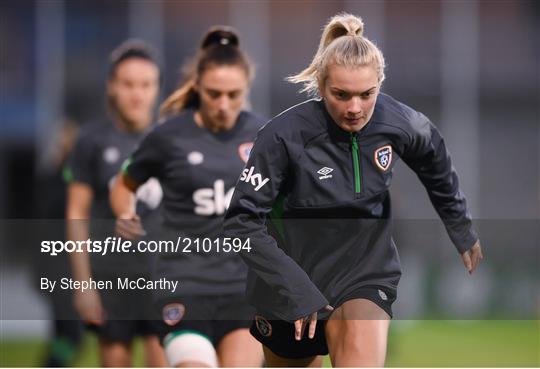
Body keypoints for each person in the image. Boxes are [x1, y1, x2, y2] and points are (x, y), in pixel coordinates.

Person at [223, 13, 484, 367]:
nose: (355, 108)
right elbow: (240, 223)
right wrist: (296, 288)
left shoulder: (399, 121)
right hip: (289, 284)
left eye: (367, 94)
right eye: (341, 95)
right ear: (320, 85)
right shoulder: (282, 136)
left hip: (364, 272)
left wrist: (458, 223)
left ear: (380, 83)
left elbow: (433, 156)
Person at [110, 27, 264, 367]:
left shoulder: (264, 136)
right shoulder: (169, 136)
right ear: (197, 86)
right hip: (183, 285)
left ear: (246, 89)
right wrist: (125, 212)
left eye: (233, 94)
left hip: (245, 289)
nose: (224, 105)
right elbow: (124, 184)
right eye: (214, 94)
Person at [65, 39, 167, 367]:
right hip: (111, 277)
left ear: (157, 88)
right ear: (112, 86)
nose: (137, 94)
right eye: (127, 84)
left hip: (165, 277)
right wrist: (83, 285)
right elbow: (76, 212)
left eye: (145, 84)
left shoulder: (173, 139)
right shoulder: (90, 140)